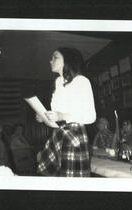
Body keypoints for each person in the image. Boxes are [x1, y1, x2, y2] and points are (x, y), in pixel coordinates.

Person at [36, 47, 96, 177]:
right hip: (58, 134)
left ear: (67, 61)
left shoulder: (81, 81)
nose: (50, 61)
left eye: (55, 57)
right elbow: (57, 116)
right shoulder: (58, 82)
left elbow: (91, 117)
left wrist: (61, 115)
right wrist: (45, 116)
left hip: (74, 136)